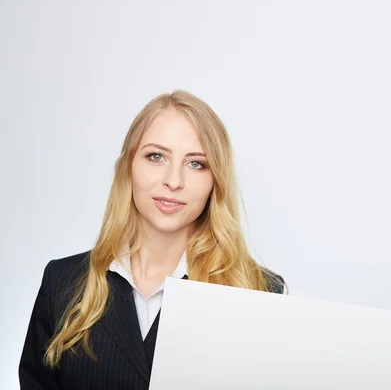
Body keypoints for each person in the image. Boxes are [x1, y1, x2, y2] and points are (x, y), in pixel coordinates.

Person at [18, 90, 285, 389]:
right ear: (129, 166)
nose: (174, 181)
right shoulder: (63, 281)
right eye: (156, 156)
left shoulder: (260, 291)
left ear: (215, 181)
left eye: (196, 163)